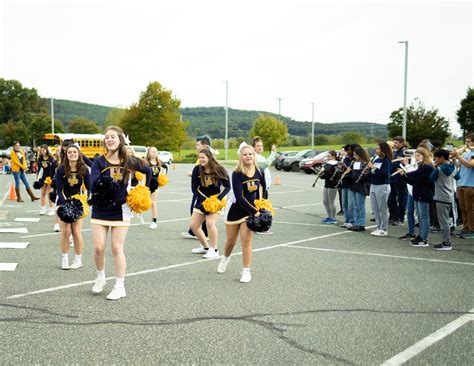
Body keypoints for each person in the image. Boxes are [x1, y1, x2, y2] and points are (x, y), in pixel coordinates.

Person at [89, 126, 152, 300]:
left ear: (120, 140)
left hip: (121, 209)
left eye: (113, 137)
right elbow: (93, 183)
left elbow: (148, 171)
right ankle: (100, 277)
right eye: (107, 137)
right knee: (98, 247)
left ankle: (119, 286)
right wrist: (104, 185)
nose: (109, 139)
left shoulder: (129, 161)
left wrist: (141, 191)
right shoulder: (99, 161)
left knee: (117, 248)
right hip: (100, 208)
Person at [217, 144, 266, 283]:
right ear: (241, 157)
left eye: (250, 154)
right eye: (245, 154)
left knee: (246, 240)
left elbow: (263, 188)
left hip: (249, 213)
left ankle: (246, 271)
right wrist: (255, 211)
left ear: (253, 155)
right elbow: (239, 196)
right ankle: (225, 258)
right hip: (235, 210)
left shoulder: (259, 171)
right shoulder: (237, 173)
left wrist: (262, 205)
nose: (248, 156)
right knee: (231, 242)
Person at [189, 149, 230, 258]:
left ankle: (214, 249)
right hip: (202, 201)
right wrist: (204, 199)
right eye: (200, 157)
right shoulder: (197, 169)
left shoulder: (219, 169)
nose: (201, 159)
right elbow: (194, 188)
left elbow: (228, 186)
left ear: (209, 158)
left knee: (210, 224)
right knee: (194, 225)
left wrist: (218, 198)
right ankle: (205, 247)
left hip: (216, 202)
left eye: (203, 157)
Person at [55, 145, 90, 269]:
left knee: (76, 232)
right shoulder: (60, 169)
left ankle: (78, 259)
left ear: (78, 154)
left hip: (77, 203)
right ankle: (65, 258)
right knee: (65, 232)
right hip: (63, 202)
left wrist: (85, 200)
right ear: (66, 154)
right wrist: (65, 203)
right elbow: (59, 189)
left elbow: (89, 188)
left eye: (74, 152)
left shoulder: (84, 169)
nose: (72, 154)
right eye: (69, 152)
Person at [398, 147, 434, 247]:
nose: (416, 158)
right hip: (418, 193)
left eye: (418, 156)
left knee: (424, 216)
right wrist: (404, 175)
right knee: (420, 217)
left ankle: (424, 238)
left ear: (424, 156)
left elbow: (416, 177)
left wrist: (405, 173)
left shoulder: (427, 167)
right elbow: (413, 181)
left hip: (424, 193)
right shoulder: (420, 166)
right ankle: (420, 235)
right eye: (416, 156)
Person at [182, 135, 215, 240]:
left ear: (204, 145)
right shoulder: (202, 156)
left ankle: (202, 232)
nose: (196, 147)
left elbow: (205, 171)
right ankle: (195, 231)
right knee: (196, 209)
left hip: (204, 189)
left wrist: (192, 174)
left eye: (198, 144)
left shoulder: (207, 156)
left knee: (198, 209)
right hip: (200, 187)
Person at [429, 149, 460, 250]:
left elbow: (431, 178)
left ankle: (446, 242)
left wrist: (435, 167)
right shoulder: (453, 167)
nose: (435, 159)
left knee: (443, 222)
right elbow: (458, 177)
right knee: (446, 220)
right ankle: (446, 241)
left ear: (441, 157)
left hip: (440, 197)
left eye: (436, 157)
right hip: (450, 196)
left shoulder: (439, 169)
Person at [451, 133, 474, 239]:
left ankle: (472, 229)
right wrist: (453, 158)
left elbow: (469, 165)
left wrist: (458, 155)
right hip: (461, 183)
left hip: (471, 185)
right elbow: (458, 165)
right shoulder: (467, 152)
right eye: (466, 141)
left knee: (471, 209)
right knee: (463, 208)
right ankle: (465, 228)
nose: (466, 143)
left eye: (468, 141)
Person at [252, 136, 277, 235]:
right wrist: (273, 153)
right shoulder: (256, 156)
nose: (260, 147)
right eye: (257, 146)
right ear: (253, 147)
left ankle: (257, 226)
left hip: (264, 185)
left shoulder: (259, 156)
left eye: (261, 145)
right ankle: (260, 227)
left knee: (261, 205)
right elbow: (265, 164)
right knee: (261, 206)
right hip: (260, 186)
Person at [368, 142, 392, 236]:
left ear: (383, 150)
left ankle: (383, 229)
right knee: (375, 208)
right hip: (373, 184)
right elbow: (373, 172)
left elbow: (385, 174)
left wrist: (373, 168)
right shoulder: (376, 159)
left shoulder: (387, 160)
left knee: (383, 208)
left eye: (378, 149)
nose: (376, 150)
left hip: (383, 185)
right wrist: (369, 171)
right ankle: (378, 226)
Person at [348, 147, 371, 232]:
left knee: (360, 206)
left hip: (361, 186)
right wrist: (349, 172)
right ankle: (356, 222)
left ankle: (361, 224)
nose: (354, 157)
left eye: (355, 155)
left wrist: (352, 172)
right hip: (354, 186)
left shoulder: (365, 163)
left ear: (360, 155)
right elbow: (353, 175)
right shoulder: (355, 162)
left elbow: (364, 176)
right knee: (355, 206)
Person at [388, 136, 408, 226]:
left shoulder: (405, 152)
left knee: (401, 200)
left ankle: (401, 218)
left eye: (396, 142)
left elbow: (403, 164)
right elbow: (392, 163)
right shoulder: (395, 152)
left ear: (401, 143)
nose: (395, 144)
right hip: (392, 179)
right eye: (394, 142)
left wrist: (396, 165)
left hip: (400, 179)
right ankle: (393, 216)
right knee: (391, 199)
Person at [146, 147, 167, 229]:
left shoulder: (159, 162)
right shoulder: (146, 163)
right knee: (143, 201)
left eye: (155, 152)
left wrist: (162, 177)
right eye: (152, 151)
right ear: (148, 153)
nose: (154, 153)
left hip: (155, 185)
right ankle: (138, 212)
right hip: (146, 185)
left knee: (153, 203)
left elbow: (166, 168)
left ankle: (154, 221)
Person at [319, 150, 339, 224]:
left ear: (333, 156)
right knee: (325, 201)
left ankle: (333, 218)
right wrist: (321, 174)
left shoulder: (336, 164)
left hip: (333, 184)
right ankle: (329, 216)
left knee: (331, 202)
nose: (327, 157)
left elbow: (335, 175)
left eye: (329, 156)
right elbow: (325, 176)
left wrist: (325, 171)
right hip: (326, 184)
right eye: (327, 156)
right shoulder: (327, 163)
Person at [37, 145, 57, 216]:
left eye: (44, 150)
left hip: (50, 177)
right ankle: (43, 209)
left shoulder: (51, 158)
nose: (42, 152)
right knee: (43, 193)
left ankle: (52, 209)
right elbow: (39, 170)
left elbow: (54, 168)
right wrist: (38, 179)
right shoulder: (40, 158)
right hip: (43, 177)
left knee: (50, 193)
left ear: (47, 150)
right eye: (41, 150)